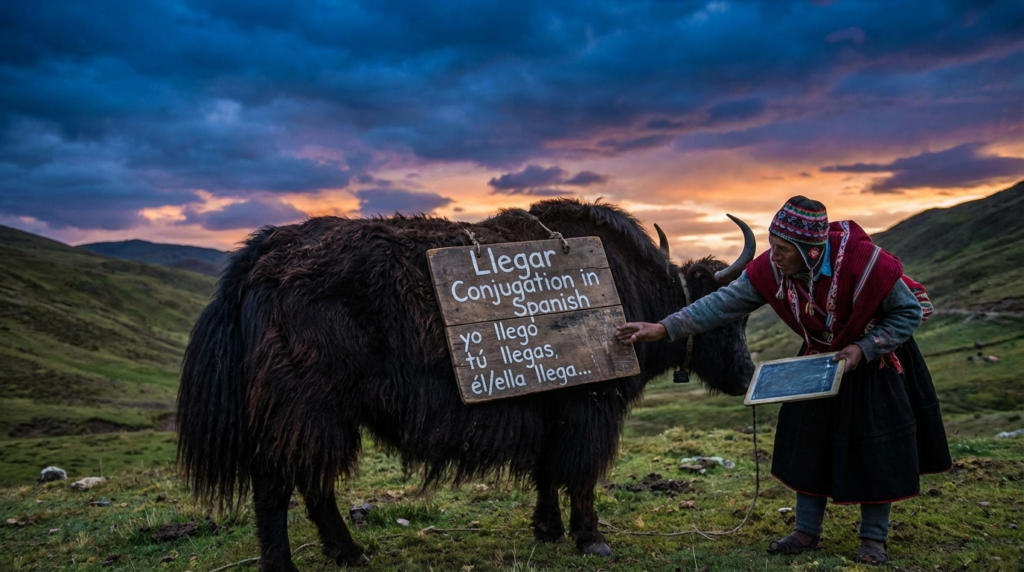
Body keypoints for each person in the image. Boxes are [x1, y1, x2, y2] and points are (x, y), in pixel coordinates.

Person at [616, 196, 951, 565]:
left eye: (783, 250)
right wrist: (663, 328)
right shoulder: (771, 270)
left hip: (877, 362)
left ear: (810, 252)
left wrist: (864, 348)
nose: (774, 256)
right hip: (820, 358)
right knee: (807, 443)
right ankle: (805, 531)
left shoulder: (867, 265)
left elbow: (909, 312)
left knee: (874, 448)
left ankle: (873, 538)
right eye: (772, 245)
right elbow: (720, 304)